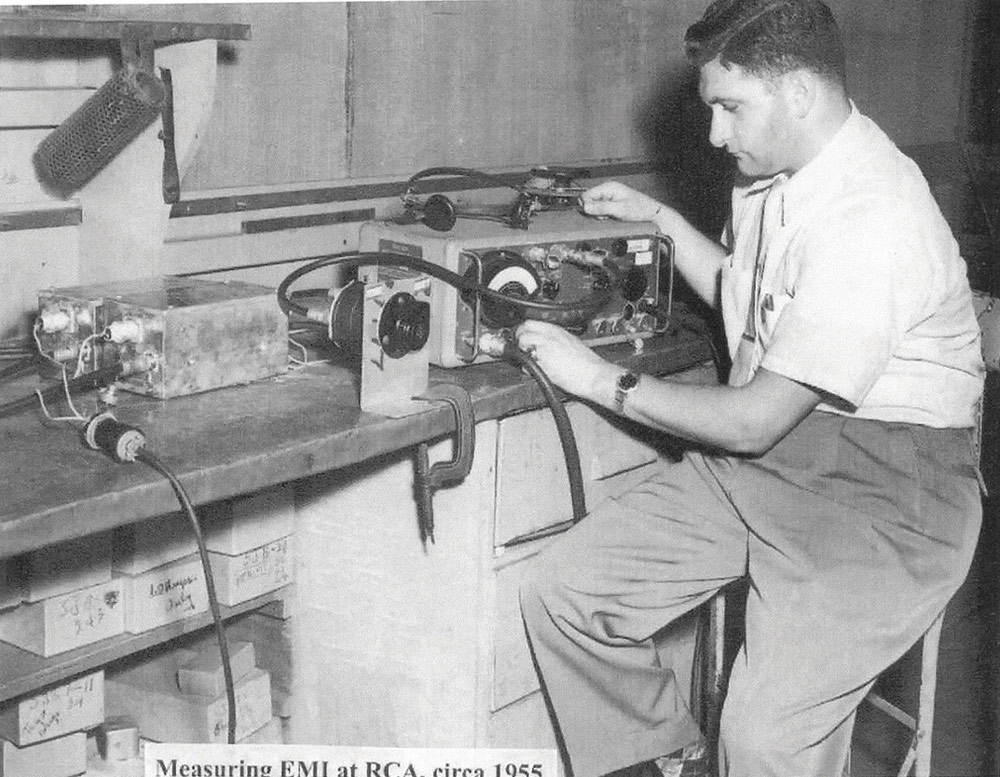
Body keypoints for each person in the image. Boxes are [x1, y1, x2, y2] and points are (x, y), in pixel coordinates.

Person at [514, 1, 985, 776]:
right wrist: (659, 220)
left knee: (764, 738)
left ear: (797, 92)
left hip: (889, 496)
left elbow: (754, 419)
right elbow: (749, 296)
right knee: (564, 593)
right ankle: (668, 757)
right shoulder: (778, 174)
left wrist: (598, 378)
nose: (714, 133)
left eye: (730, 108)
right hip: (775, 463)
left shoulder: (875, 214)